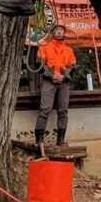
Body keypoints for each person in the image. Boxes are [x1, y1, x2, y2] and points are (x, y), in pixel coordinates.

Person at [34, 24, 76, 155]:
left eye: (61, 31)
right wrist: (51, 76)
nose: (59, 32)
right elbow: (39, 65)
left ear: (64, 33)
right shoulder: (45, 48)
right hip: (49, 81)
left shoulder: (69, 50)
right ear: (52, 33)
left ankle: (61, 140)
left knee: (63, 111)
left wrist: (64, 77)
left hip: (64, 82)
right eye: (57, 30)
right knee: (45, 109)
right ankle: (39, 139)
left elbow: (73, 66)